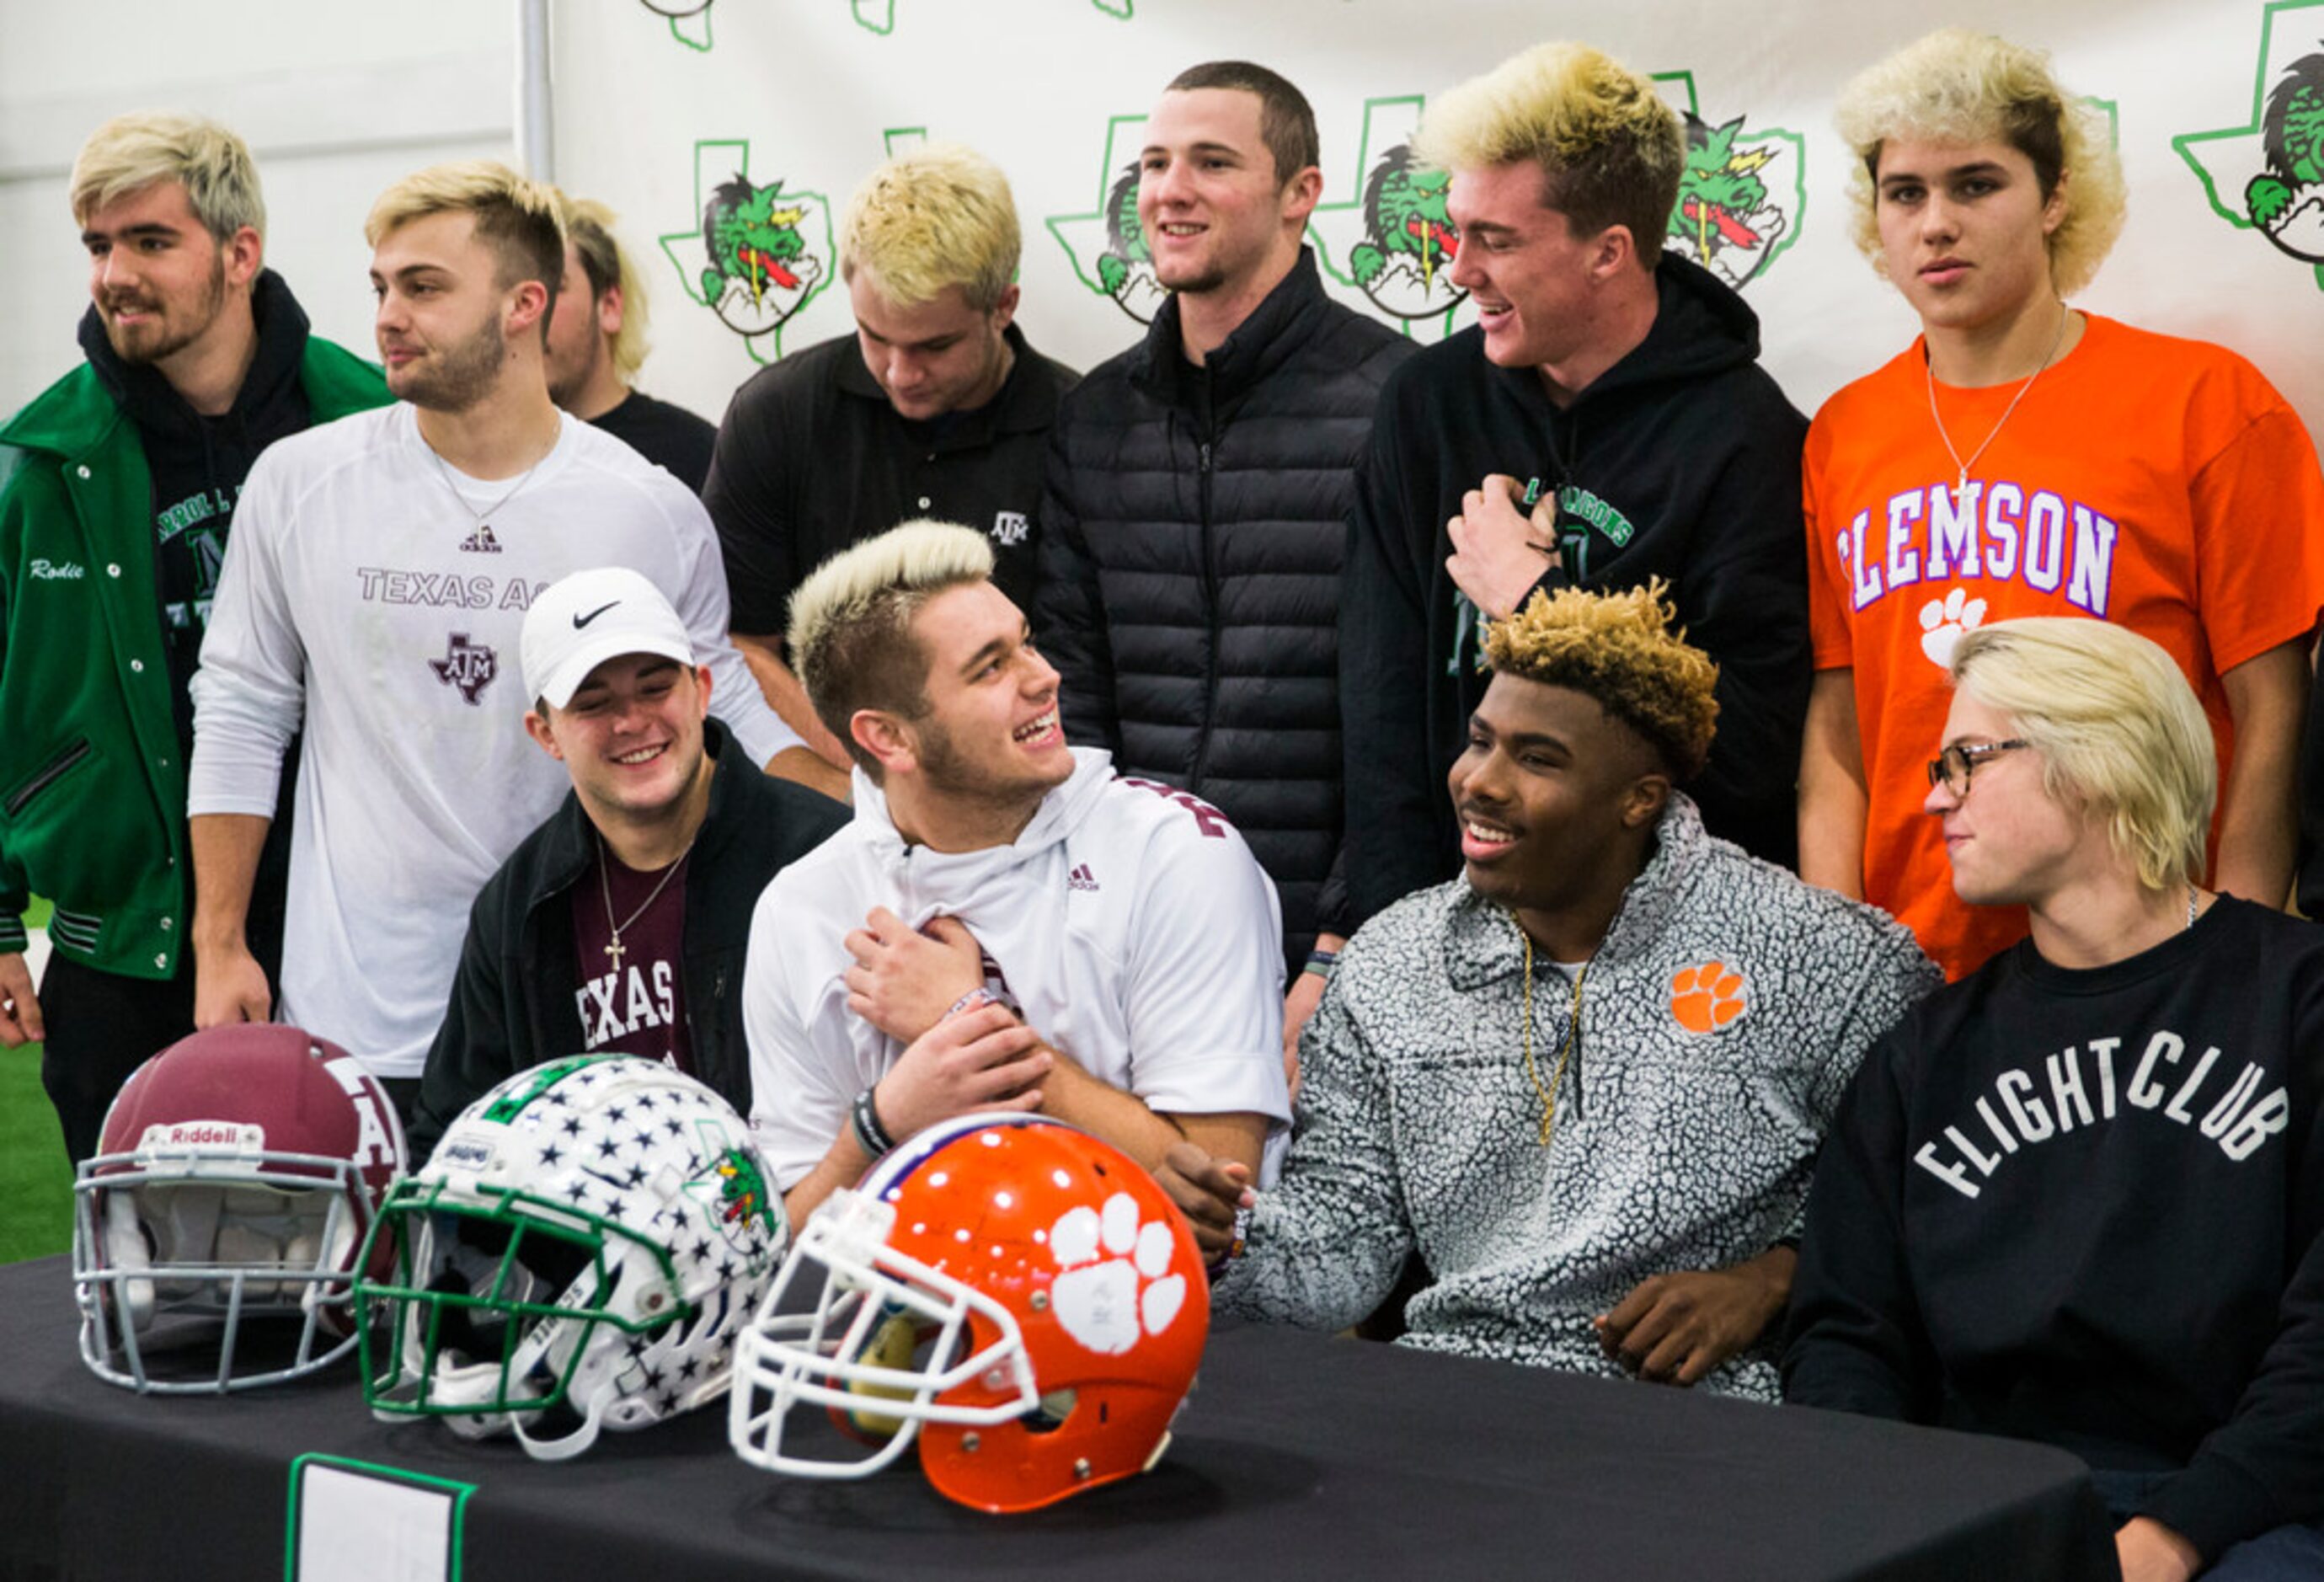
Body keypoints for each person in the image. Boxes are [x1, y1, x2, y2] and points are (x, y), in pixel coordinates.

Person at [1162, 584, 1936, 1398]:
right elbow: (1342, 1250)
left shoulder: (1825, 957)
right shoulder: (1391, 963)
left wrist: (1774, 1282)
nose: (1479, 781)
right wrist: (1223, 1237)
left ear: (1640, 799)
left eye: (1536, 759)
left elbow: (1908, 1217)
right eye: (1480, 741)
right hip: (1456, 1397)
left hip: (1711, 1423)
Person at [187, 160, 809, 1113]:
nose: (389, 315)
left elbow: (719, 707)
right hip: (361, 1010)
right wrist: (220, 942)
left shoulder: (645, 504)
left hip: (579, 994)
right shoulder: (299, 483)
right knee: (391, 1265)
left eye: (425, 287)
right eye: (382, 287)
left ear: (525, 303)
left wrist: (878, 820)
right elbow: (241, 711)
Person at [1784, 617, 2324, 1582]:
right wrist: (1889, 1520)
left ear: (2093, 760)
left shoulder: (2298, 1001)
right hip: (1979, 1509)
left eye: (1966, 760)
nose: (1931, 797)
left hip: (2251, 1513)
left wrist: (2172, 1536)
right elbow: (1843, 1339)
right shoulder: (1920, 1056)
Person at [1797, 29, 2324, 981]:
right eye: (1903, 192)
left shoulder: (2205, 405)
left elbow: (2271, 706)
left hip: (2150, 952)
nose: (1934, 224)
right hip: (1911, 969)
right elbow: (1838, 722)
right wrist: (1832, 957)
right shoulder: (1841, 433)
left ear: (2054, 198)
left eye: (1975, 184)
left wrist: (2243, 953)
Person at [1341, 40, 1811, 934]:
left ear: (1607, 252)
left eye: (1496, 240)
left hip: (1663, 952)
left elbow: (1747, 753)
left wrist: (1534, 601)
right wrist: (1387, 940)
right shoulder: (1425, 403)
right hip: (1442, 934)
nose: (1457, 270)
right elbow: (1380, 708)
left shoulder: (1747, 439)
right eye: (1456, 230)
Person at [0, 112, 390, 1161]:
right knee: (141, 1282)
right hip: (123, 935)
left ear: (240, 250)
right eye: (97, 245)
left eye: (149, 241)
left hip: (342, 911)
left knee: (352, 1251)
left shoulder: (371, 420)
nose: (115, 273)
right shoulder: (43, 461)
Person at [742, 521, 1291, 1232]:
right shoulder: (802, 908)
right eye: (990, 667)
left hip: (1166, 1317)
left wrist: (969, 1024)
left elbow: (1219, 1204)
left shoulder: (1177, 852)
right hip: (905, 1321)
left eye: (1025, 641)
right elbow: (786, 1241)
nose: (1045, 676)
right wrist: (881, 1124)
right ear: (889, 738)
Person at [1037, 61, 1414, 1058]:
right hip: (1133, 942)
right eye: (1154, 162)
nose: (1170, 189)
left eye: (1211, 162)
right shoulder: (1095, 417)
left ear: (1301, 194)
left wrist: (1342, 944)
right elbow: (1071, 699)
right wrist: (1082, 920)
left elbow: (1415, 708)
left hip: (1341, 956)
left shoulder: (1400, 402)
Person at [408, 568, 847, 1157]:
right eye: (593, 703)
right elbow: (454, 1134)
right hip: (591, 1245)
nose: (632, 722)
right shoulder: (517, 908)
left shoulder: (820, 853)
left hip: (798, 1224)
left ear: (703, 690)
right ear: (546, 733)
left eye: (655, 688)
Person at [707, 144, 1077, 794]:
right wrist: (876, 782)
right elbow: (741, 642)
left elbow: (1084, 668)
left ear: (1003, 305)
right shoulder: (777, 414)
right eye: (873, 335)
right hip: (827, 800)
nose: (901, 374)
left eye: (935, 346)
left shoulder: (1080, 431)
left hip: (1026, 805)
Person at [541, 194, 718, 491]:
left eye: (554, 288)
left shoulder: (695, 452)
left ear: (609, 305)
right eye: (516, 295)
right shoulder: (486, 457)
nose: (529, 312)